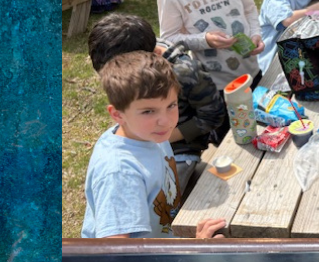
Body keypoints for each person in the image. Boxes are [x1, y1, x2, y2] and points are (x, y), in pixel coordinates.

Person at [81, 51, 225, 239]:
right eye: (149, 111)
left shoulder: (147, 134)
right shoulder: (120, 173)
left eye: (171, 105)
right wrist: (196, 252)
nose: (165, 121)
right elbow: (114, 259)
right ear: (117, 114)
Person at [88, 13, 226, 192]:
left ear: (151, 54)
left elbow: (213, 115)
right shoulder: (127, 50)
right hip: (140, 136)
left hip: (179, 149)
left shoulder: (184, 72)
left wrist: (166, 136)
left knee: (163, 195)